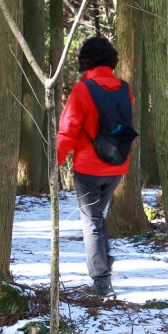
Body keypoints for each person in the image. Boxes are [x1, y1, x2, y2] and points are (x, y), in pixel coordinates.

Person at [57, 36, 134, 298]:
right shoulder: (125, 88)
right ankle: (105, 257)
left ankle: (101, 280)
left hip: (89, 169)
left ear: (86, 61)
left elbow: (68, 130)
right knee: (98, 217)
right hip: (116, 167)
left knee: (91, 222)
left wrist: (54, 162)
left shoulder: (82, 90)